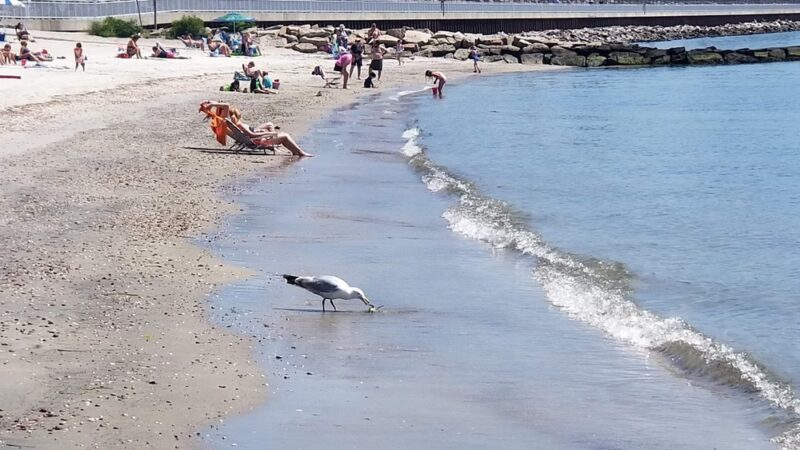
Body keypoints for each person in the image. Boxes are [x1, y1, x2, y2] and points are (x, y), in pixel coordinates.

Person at [201, 102, 313, 157]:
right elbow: (252, 135)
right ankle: (300, 153)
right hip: (257, 141)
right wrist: (271, 133)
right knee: (285, 136)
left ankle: (296, 152)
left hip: (252, 140)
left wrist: (211, 106)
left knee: (281, 134)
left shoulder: (226, 123)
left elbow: (225, 107)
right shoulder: (237, 124)